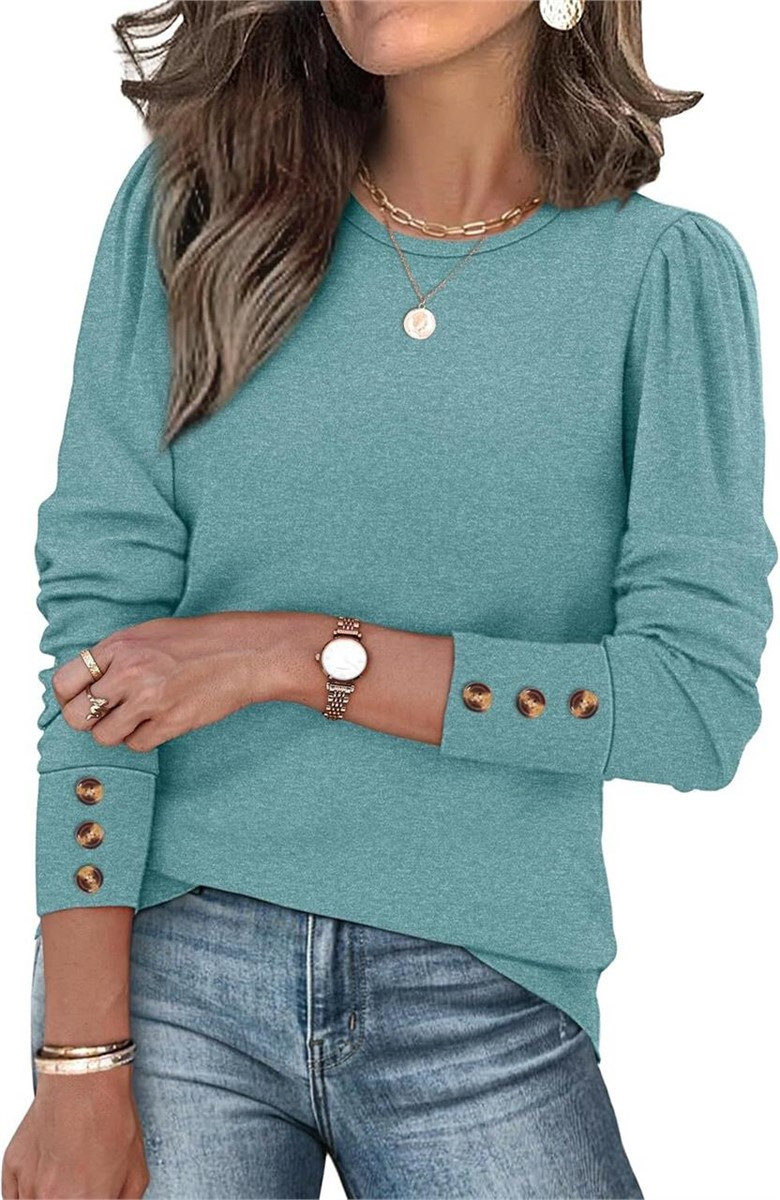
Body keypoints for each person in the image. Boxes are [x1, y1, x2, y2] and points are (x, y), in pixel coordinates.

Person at [3, 2, 776, 1197]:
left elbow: (691, 704)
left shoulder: (663, 278)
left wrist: (304, 656)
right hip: (170, 977)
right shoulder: (197, 213)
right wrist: (79, 1061)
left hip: (484, 987)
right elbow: (101, 638)